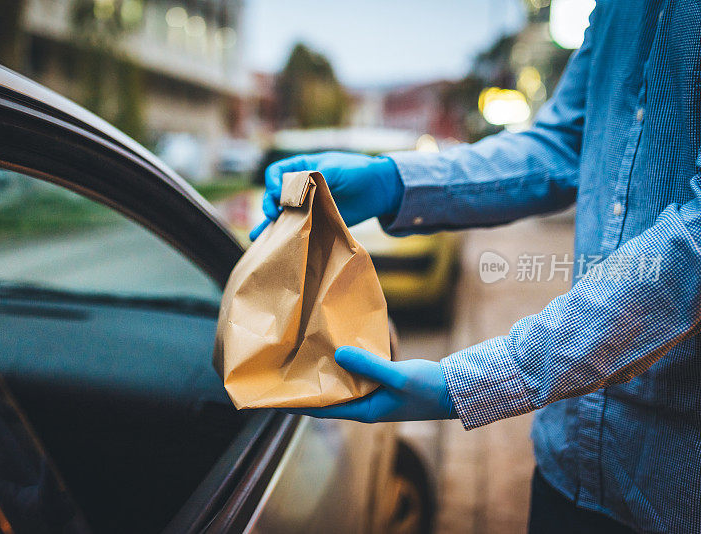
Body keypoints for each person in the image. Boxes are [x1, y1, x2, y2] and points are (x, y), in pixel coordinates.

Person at [251, 2, 700, 533]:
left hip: (674, 493)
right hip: (566, 462)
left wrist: (468, 382)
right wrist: (394, 181)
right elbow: (562, 141)